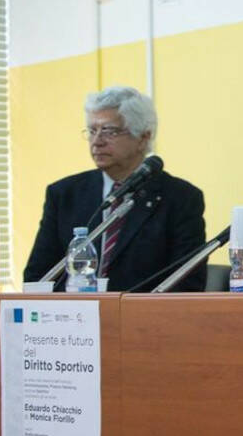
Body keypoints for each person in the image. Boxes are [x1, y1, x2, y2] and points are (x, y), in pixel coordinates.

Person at [22, 86, 206, 291]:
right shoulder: (64, 195)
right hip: (73, 317)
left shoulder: (180, 199)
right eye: (92, 131)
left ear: (143, 137)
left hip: (140, 318)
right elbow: (37, 277)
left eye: (109, 131)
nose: (97, 141)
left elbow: (187, 284)